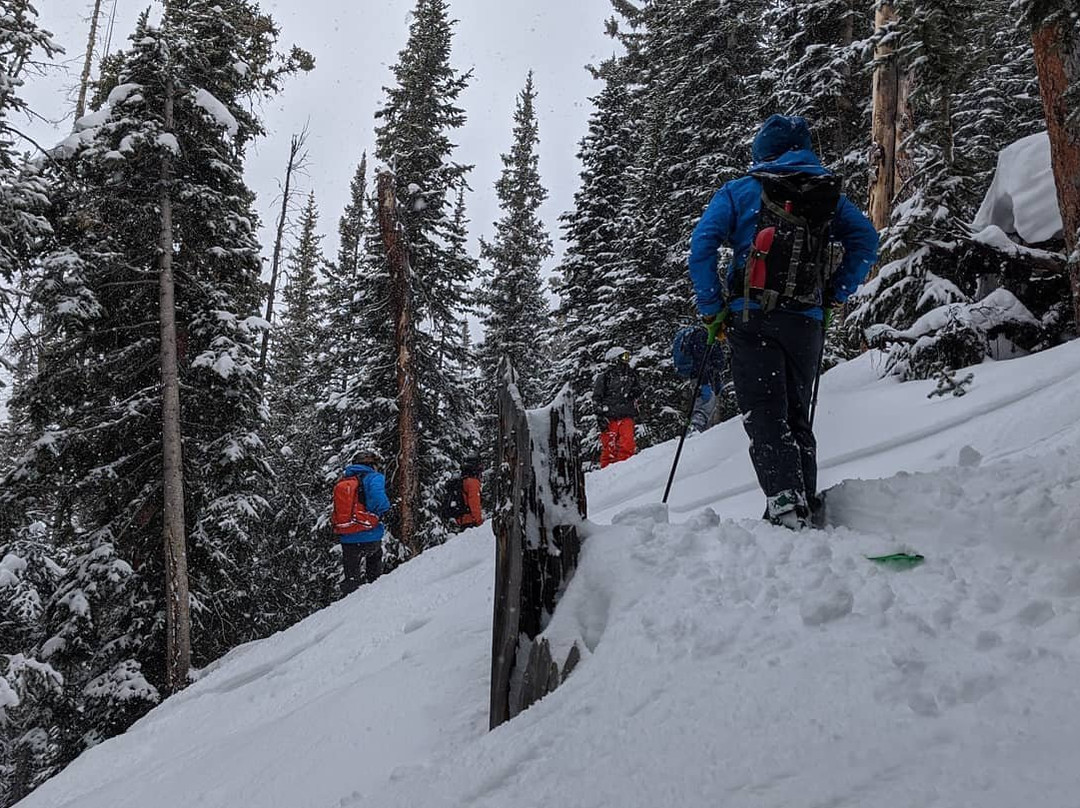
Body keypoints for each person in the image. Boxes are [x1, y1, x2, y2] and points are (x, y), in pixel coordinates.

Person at [688, 114, 878, 529]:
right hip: (806, 321)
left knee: (764, 413)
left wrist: (711, 307)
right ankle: (803, 502)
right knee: (796, 412)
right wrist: (835, 294)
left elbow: (701, 248)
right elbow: (866, 240)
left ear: (762, 151)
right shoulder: (827, 194)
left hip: (750, 316)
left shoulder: (740, 191)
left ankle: (785, 505)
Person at [332, 451, 392, 595]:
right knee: (375, 578)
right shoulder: (373, 478)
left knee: (351, 579)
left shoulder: (344, 481)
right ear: (371, 464)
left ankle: (348, 609)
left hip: (347, 537)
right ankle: (373, 603)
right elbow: (379, 501)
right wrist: (385, 509)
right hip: (370, 533)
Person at [593, 346, 643, 468]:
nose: (626, 360)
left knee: (627, 445)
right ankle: (607, 473)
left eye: (627, 357)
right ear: (615, 359)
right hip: (609, 417)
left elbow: (639, 387)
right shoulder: (605, 377)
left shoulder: (631, 374)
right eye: (624, 357)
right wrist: (600, 416)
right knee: (609, 448)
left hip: (626, 414)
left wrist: (635, 392)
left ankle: (625, 469)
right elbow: (597, 398)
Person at [672, 325, 727, 433]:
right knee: (704, 405)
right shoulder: (702, 336)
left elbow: (710, 364)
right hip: (701, 378)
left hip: (700, 377)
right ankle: (695, 431)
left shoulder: (706, 337)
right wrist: (704, 383)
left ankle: (701, 432)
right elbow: (701, 362)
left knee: (707, 404)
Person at [456, 456, 483, 529]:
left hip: (462, 519)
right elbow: (474, 503)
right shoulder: (472, 482)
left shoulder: (463, 480)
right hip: (470, 521)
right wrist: (479, 521)